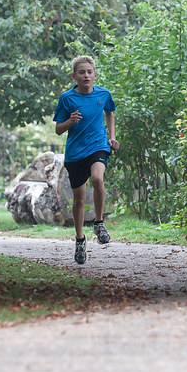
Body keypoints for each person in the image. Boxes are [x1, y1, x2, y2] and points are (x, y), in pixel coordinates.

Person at [53, 55, 119, 264]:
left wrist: (112, 136)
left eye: (89, 72)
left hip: (98, 145)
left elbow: (110, 112)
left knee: (98, 179)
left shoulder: (103, 94)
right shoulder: (67, 98)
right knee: (79, 200)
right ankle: (80, 240)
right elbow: (57, 129)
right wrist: (70, 121)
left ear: (95, 75)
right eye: (81, 72)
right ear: (74, 76)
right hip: (75, 153)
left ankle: (99, 223)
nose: (86, 75)